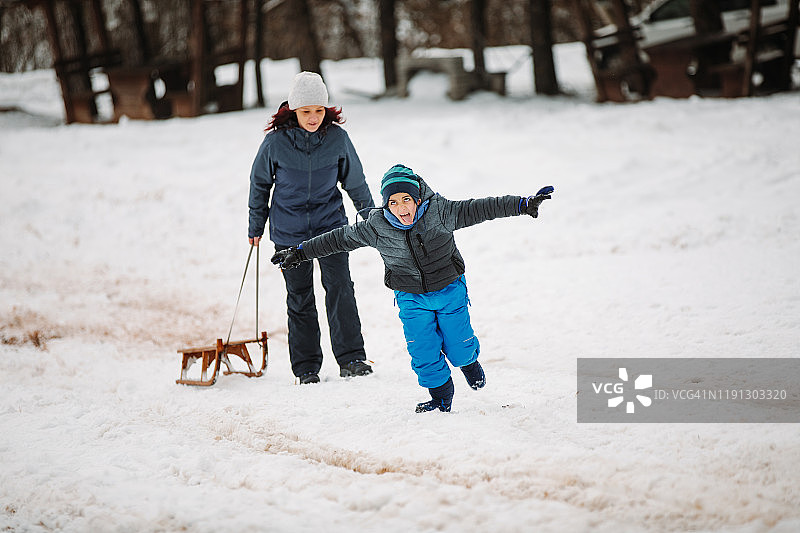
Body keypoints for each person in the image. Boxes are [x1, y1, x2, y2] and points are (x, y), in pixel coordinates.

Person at [270, 164, 553, 412]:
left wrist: (522, 204)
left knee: (459, 343)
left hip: (449, 289)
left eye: (407, 199)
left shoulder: (441, 212)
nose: (402, 207)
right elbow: (337, 239)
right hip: (409, 297)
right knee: (423, 351)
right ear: (386, 204)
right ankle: (441, 397)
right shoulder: (376, 227)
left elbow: (482, 207)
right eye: (393, 202)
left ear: (418, 198)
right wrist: (300, 252)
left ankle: (468, 362)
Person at [248, 71, 375, 384]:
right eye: (306, 111)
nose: (314, 117)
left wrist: (372, 218)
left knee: (340, 288)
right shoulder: (275, 144)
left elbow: (355, 181)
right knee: (300, 296)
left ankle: (352, 359)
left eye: (319, 110)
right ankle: (306, 367)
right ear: (293, 110)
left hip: (330, 227)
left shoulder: (337, 139)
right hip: (289, 233)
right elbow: (259, 185)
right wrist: (255, 226)